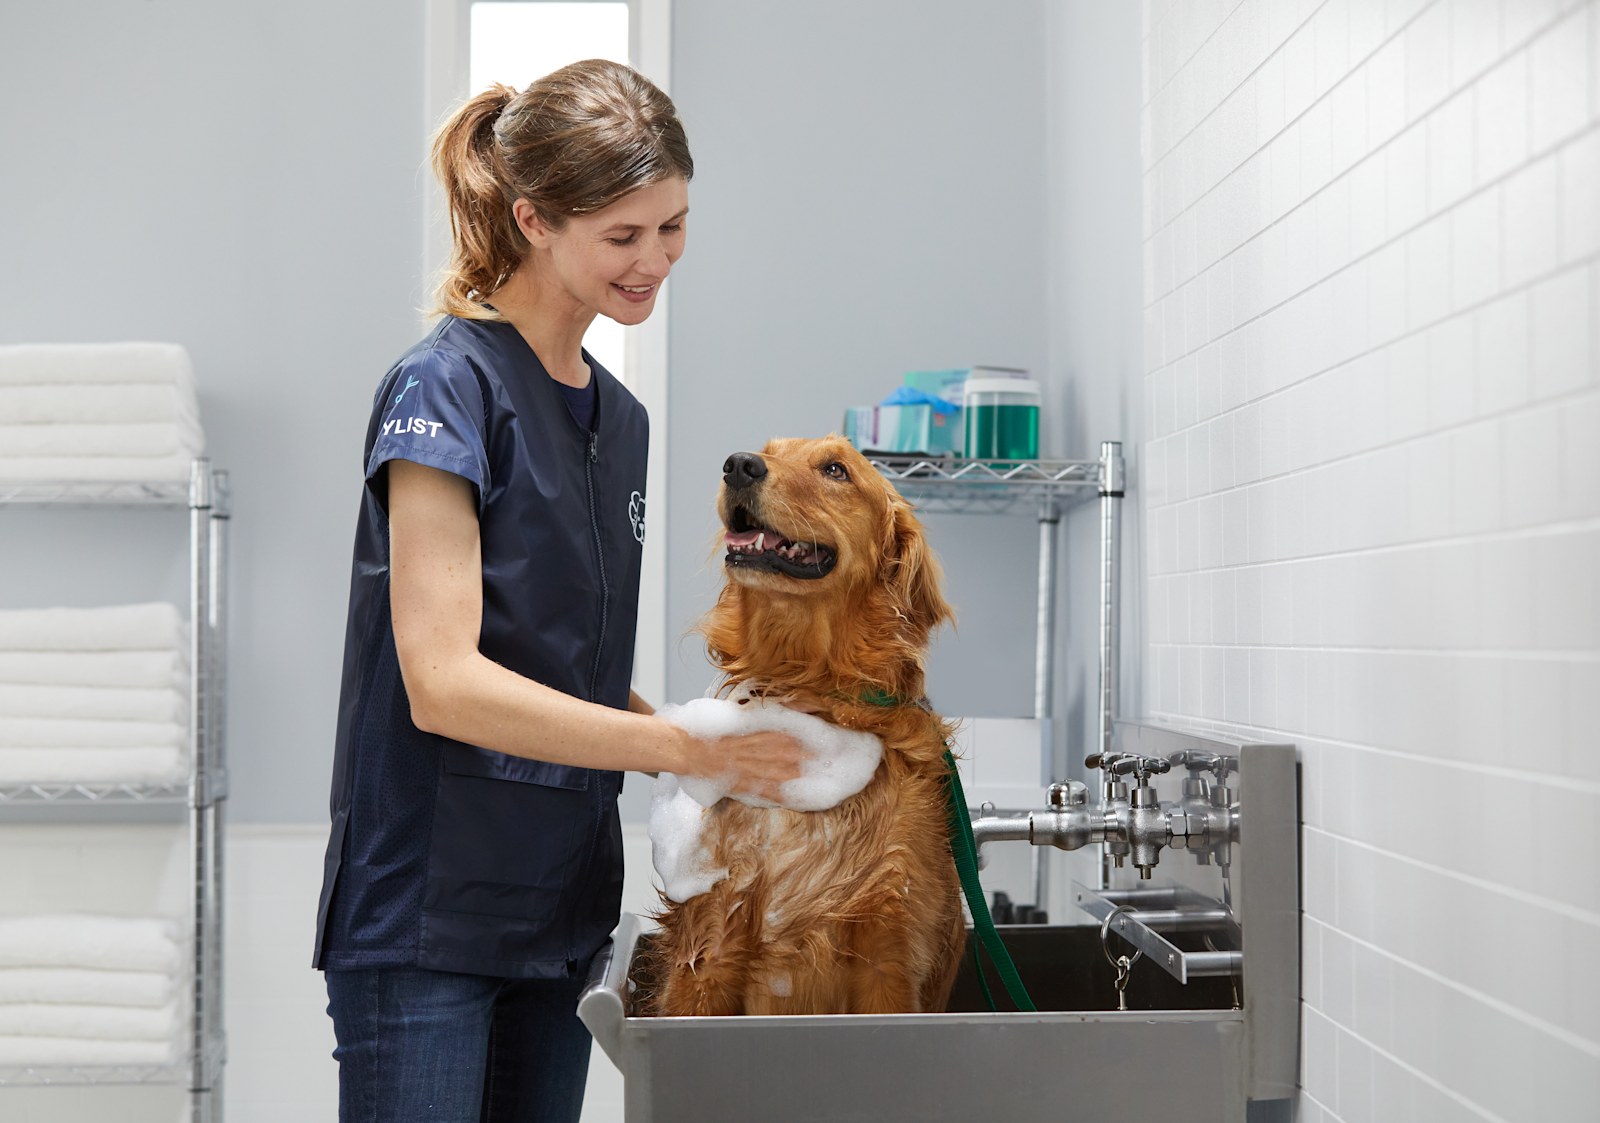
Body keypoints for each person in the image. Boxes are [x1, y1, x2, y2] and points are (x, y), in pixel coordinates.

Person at [313, 59, 804, 1123]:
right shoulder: (444, 388)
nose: (655, 261)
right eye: (622, 237)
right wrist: (677, 749)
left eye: (670, 227)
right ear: (534, 220)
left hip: (558, 913)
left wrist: (693, 731)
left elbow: (556, 665)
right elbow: (443, 683)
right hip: (428, 916)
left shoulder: (614, 419)